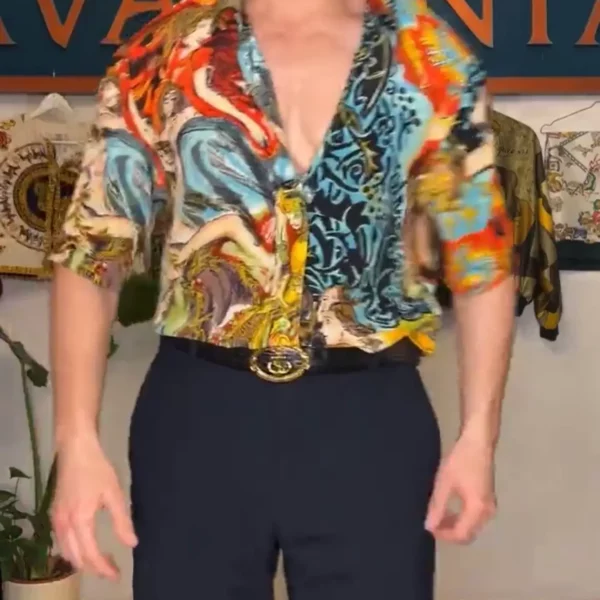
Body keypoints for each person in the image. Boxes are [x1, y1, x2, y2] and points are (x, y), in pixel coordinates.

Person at [48, 0, 515, 598]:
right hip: (201, 417)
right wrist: (76, 441)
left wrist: (478, 437)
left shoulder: (425, 53)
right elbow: (91, 251)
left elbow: (482, 257)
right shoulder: (167, 51)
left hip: (368, 421)